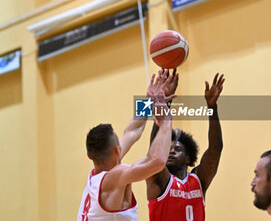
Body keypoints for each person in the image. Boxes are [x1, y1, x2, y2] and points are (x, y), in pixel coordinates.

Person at [77, 71, 175, 221]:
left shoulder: (97, 176)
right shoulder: (114, 177)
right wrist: (166, 122)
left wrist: (149, 100)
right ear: (117, 150)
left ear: (90, 156)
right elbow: (158, 161)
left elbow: (132, 131)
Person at [147, 70, 225, 221]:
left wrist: (212, 108)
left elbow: (215, 150)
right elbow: (154, 153)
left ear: (188, 159)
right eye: (168, 149)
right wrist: (165, 103)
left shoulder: (198, 180)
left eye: (177, 149)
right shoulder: (160, 180)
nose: (171, 152)